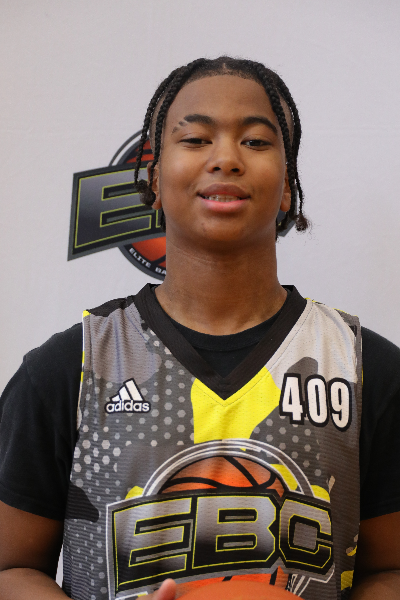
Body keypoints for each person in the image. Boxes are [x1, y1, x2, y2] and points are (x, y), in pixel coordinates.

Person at [0, 56, 399, 600]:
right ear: (154, 180)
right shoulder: (74, 367)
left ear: (287, 186)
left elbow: (391, 569)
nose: (226, 158)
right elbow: (10, 568)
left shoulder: (365, 369)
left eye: (255, 141)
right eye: (194, 139)